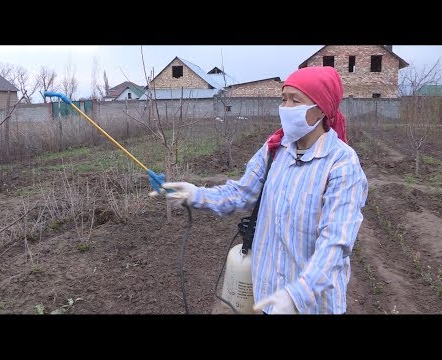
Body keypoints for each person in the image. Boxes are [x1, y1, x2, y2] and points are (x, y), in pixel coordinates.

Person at [151, 66, 368, 314]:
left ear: (320, 108)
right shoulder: (275, 149)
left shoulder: (341, 163)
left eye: (295, 100)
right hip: (269, 298)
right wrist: (195, 194)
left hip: (312, 305)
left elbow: (336, 244)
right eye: (283, 99)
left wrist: (297, 295)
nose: (285, 108)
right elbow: (242, 194)